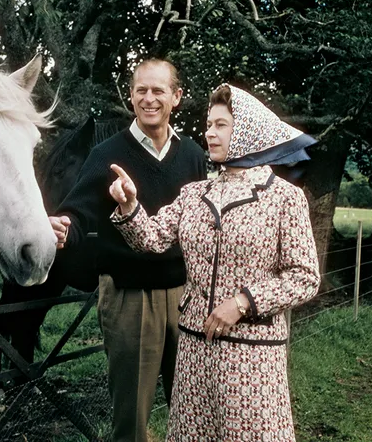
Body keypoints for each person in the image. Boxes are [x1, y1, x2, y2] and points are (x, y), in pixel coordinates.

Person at [108, 83, 320, 442]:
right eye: (208, 124)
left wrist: (242, 303)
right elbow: (151, 238)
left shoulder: (284, 198)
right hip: (193, 351)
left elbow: (305, 277)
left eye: (221, 124)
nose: (209, 132)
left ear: (248, 131)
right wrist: (129, 205)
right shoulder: (195, 193)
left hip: (252, 356)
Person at [50, 59, 207, 442]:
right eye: (141, 90)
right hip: (129, 298)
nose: (149, 98)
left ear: (177, 98)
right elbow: (78, 211)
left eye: (158, 90)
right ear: (131, 96)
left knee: (191, 410)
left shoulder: (193, 156)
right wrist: (62, 227)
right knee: (131, 418)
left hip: (186, 297)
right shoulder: (107, 154)